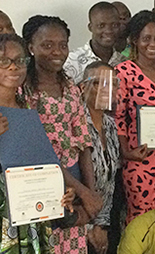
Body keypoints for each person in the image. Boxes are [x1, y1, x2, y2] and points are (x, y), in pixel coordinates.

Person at [22, 15, 103, 254]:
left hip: (75, 182)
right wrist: (82, 190)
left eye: (63, 44)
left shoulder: (70, 88)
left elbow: (84, 143)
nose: (57, 51)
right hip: (42, 183)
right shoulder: (23, 91)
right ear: (31, 48)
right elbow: (37, 151)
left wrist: (90, 192)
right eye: (47, 45)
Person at [0, 33, 76, 252]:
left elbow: (38, 161)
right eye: (4, 61)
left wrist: (59, 191)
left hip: (30, 214)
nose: (13, 67)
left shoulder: (27, 108)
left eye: (20, 60)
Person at [115, 10, 155, 224]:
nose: (152, 44)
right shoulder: (123, 71)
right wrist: (126, 151)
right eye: (146, 38)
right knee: (143, 220)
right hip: (140, 157)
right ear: (135, 40)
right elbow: (118, 117)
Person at [80, 61, 121, 254]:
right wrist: (88, 228)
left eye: (113, 83)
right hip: (74, 223)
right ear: (83, 87)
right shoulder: (75, 123)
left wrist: (101, 225)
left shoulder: (111, 125)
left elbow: (109, 183)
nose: (107, 89)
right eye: (98, 83)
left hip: (101, 222)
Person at [64, 2, 126, 84]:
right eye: (101, 26)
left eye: (114, 25)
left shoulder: (124, 62)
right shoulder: (71, 61)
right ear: (90, 27)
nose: (108, 31)